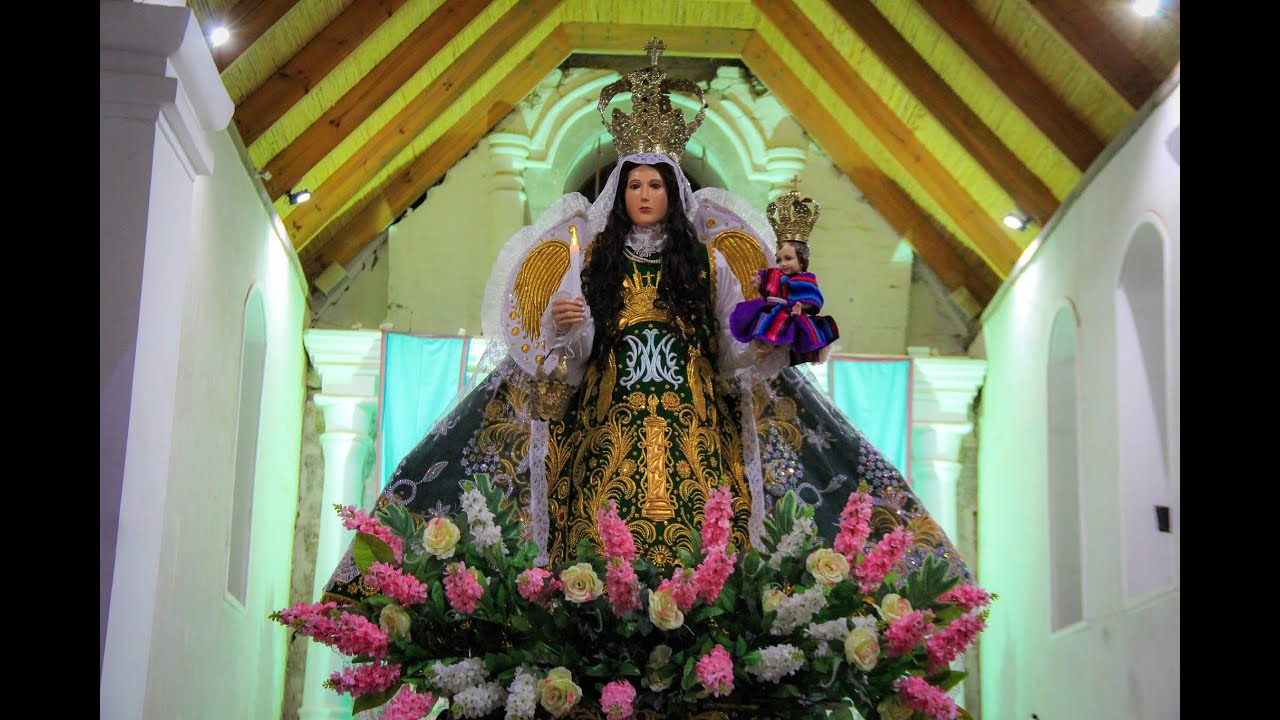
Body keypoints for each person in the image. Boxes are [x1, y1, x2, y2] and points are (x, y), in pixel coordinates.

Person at [320, 39, 971, 604]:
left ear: (673, 190)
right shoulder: (595, 260)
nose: (645, 196)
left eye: (656, 185)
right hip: (608, 422)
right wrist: (567, 325)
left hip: (696, 425)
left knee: (707, 527)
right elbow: (568, 363)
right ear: (621, 191)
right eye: (634, 186)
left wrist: (769, 329)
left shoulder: (707, 262)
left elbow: (730, 347)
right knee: (601, 524)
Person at [728, 184, 839, 367]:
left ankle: (773, 352)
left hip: (789, 311)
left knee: (784, 328)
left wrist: (799, 305)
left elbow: (813, 299)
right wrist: (758, 282)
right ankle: (761, 352)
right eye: (779, 260)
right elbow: (767, 284)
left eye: (788, 258)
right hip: (772, 307)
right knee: (756, 320)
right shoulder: (775, 274)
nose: (782, 264)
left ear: (802, 261)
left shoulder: (805, 279)